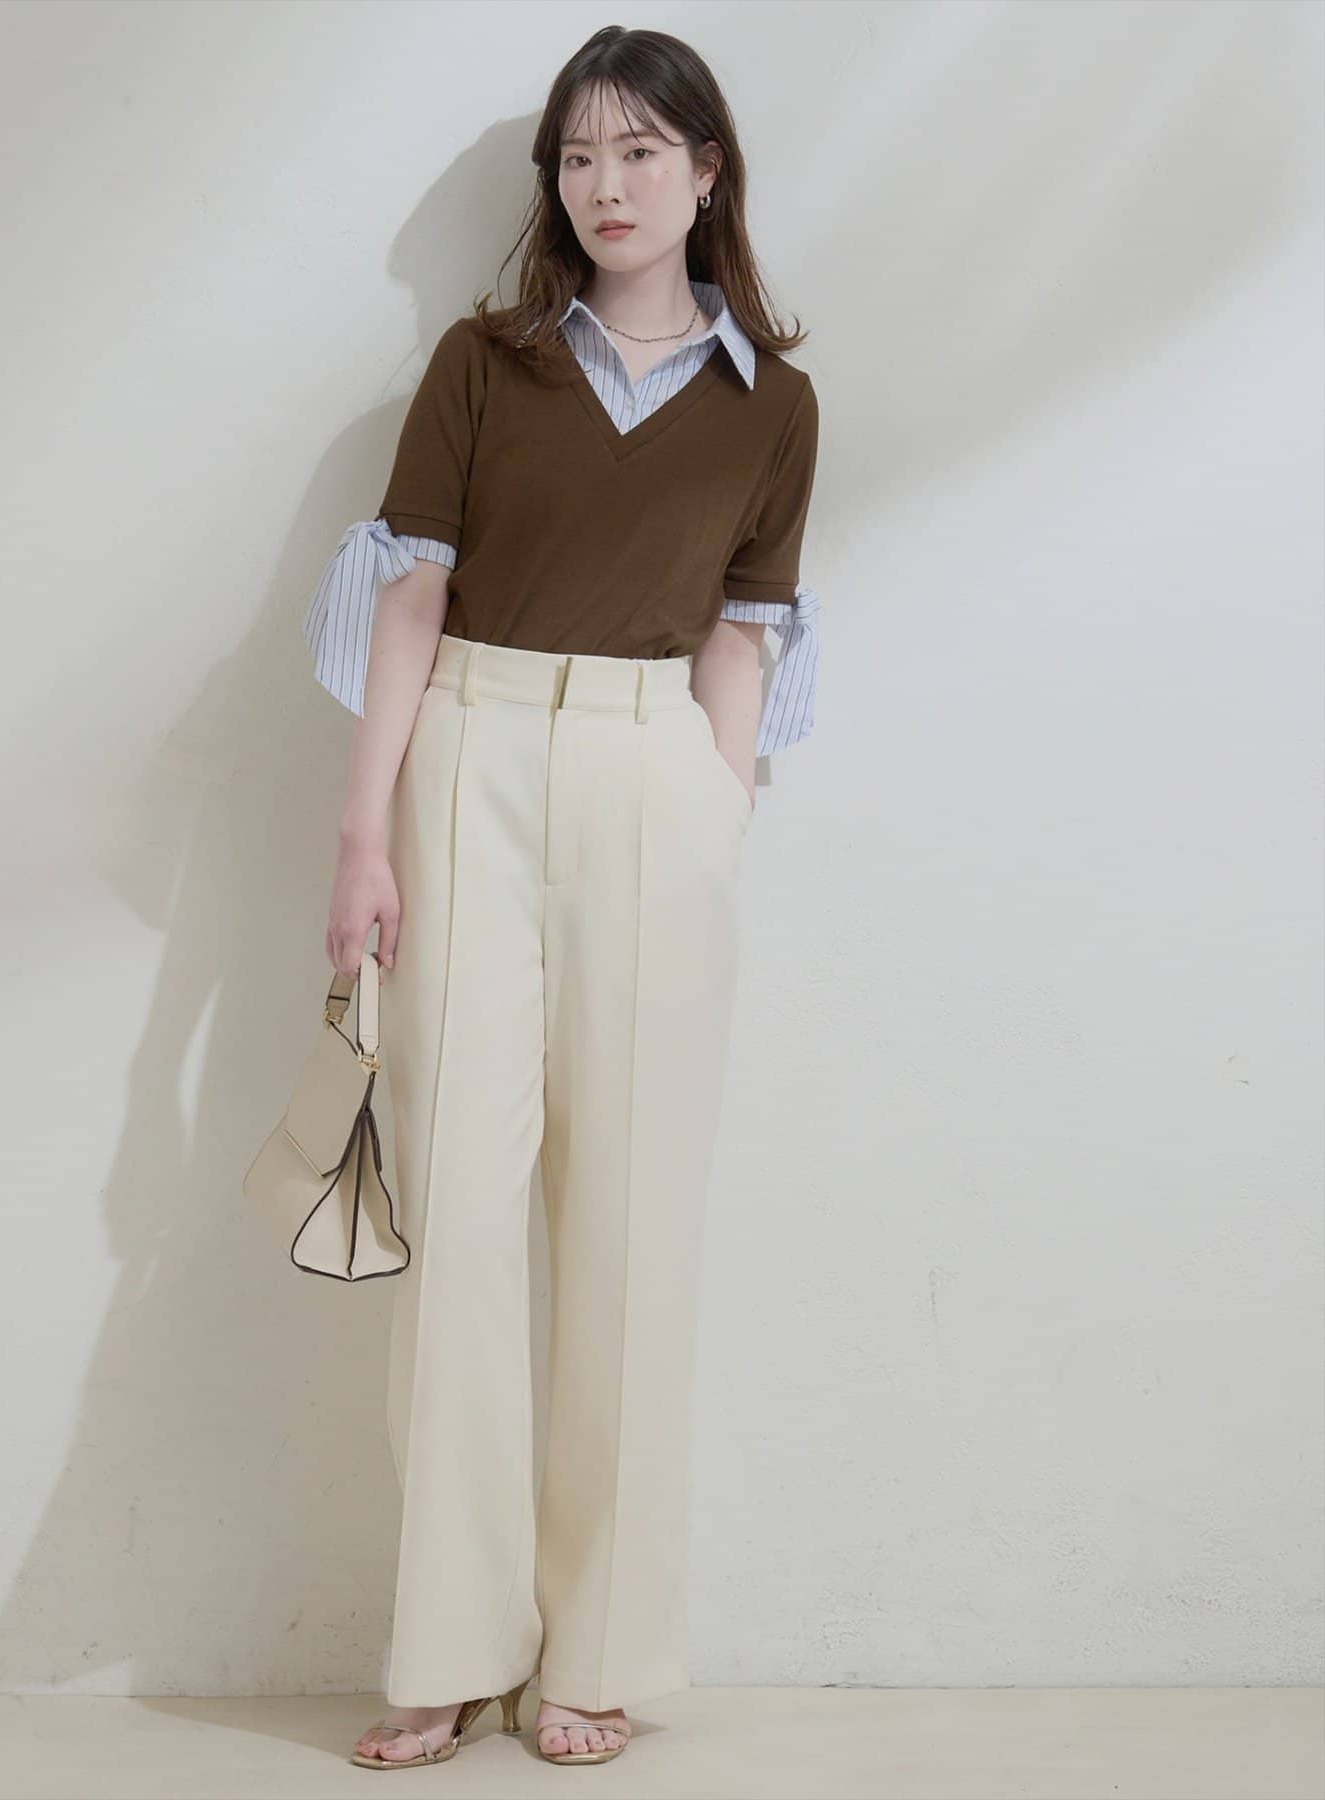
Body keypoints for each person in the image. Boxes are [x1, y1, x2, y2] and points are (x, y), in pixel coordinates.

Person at [302, 25, 821, 1771]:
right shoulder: (487, 362)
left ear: (706, 170)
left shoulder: (774, 402)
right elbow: (408, 601)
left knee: (631, 1226)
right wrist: (365, 834)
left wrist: (718, 816)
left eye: (640, 152)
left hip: (657, 772)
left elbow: (747, 633)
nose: (606, 184)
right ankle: (450, 1646)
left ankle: (595, 1655)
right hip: (471, 760)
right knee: (459, 1206)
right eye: (579, 156)